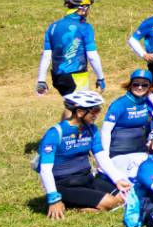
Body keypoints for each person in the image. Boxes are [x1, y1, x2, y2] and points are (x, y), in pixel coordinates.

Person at [37, 89, 123, 219]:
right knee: (111, 203)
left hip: (87, 178)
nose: (97, 114)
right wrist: (53, 198)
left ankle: (83, 203)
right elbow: (45, 169)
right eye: (94, 111)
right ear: (80, 112)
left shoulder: (91, 130)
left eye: (98, 110)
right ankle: (72, 204)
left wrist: (118, 179)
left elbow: (102, 157)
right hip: (64, 184)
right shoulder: (55, 133)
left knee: (123, 198)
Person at [98, 69, 153, 184]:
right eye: (136, 84)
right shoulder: (119, 104)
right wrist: (104, 159)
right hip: (118, 151)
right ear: (130, 85)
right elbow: (105, 132)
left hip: (140, 149)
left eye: (145, 85)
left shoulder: (146, 102)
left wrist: (150, 96)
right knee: (133, 174)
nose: (140, 87)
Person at [37, 0, 105, 97]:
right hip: (76, 77)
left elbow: (46, 56)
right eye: (88, 7)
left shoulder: (52, 27)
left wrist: (41, 80)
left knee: (70, 108)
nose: (89, 10)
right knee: (82, 111)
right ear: (82, 7)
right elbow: (92, 56)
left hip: (58, 77)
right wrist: (100, 78)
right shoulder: (85, 27)